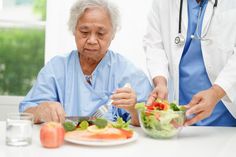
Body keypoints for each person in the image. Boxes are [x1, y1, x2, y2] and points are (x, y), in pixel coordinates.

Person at [19, 0, 152, 126]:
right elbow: (26, 114)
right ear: (74, 30)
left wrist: (134, 111)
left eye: (100, 33)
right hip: (64, 147)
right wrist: (40, 110)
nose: (92, 40)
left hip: (112, 147)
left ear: (113, 33)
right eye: (84, 32)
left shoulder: (128, 72)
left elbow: (151, 121)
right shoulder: (56, 68)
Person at [144, 0, 236, 126]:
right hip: (182, 114)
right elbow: (154, 45)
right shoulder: (163, 3)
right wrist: (160, 82)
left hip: (227, 112)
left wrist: (216, 92)